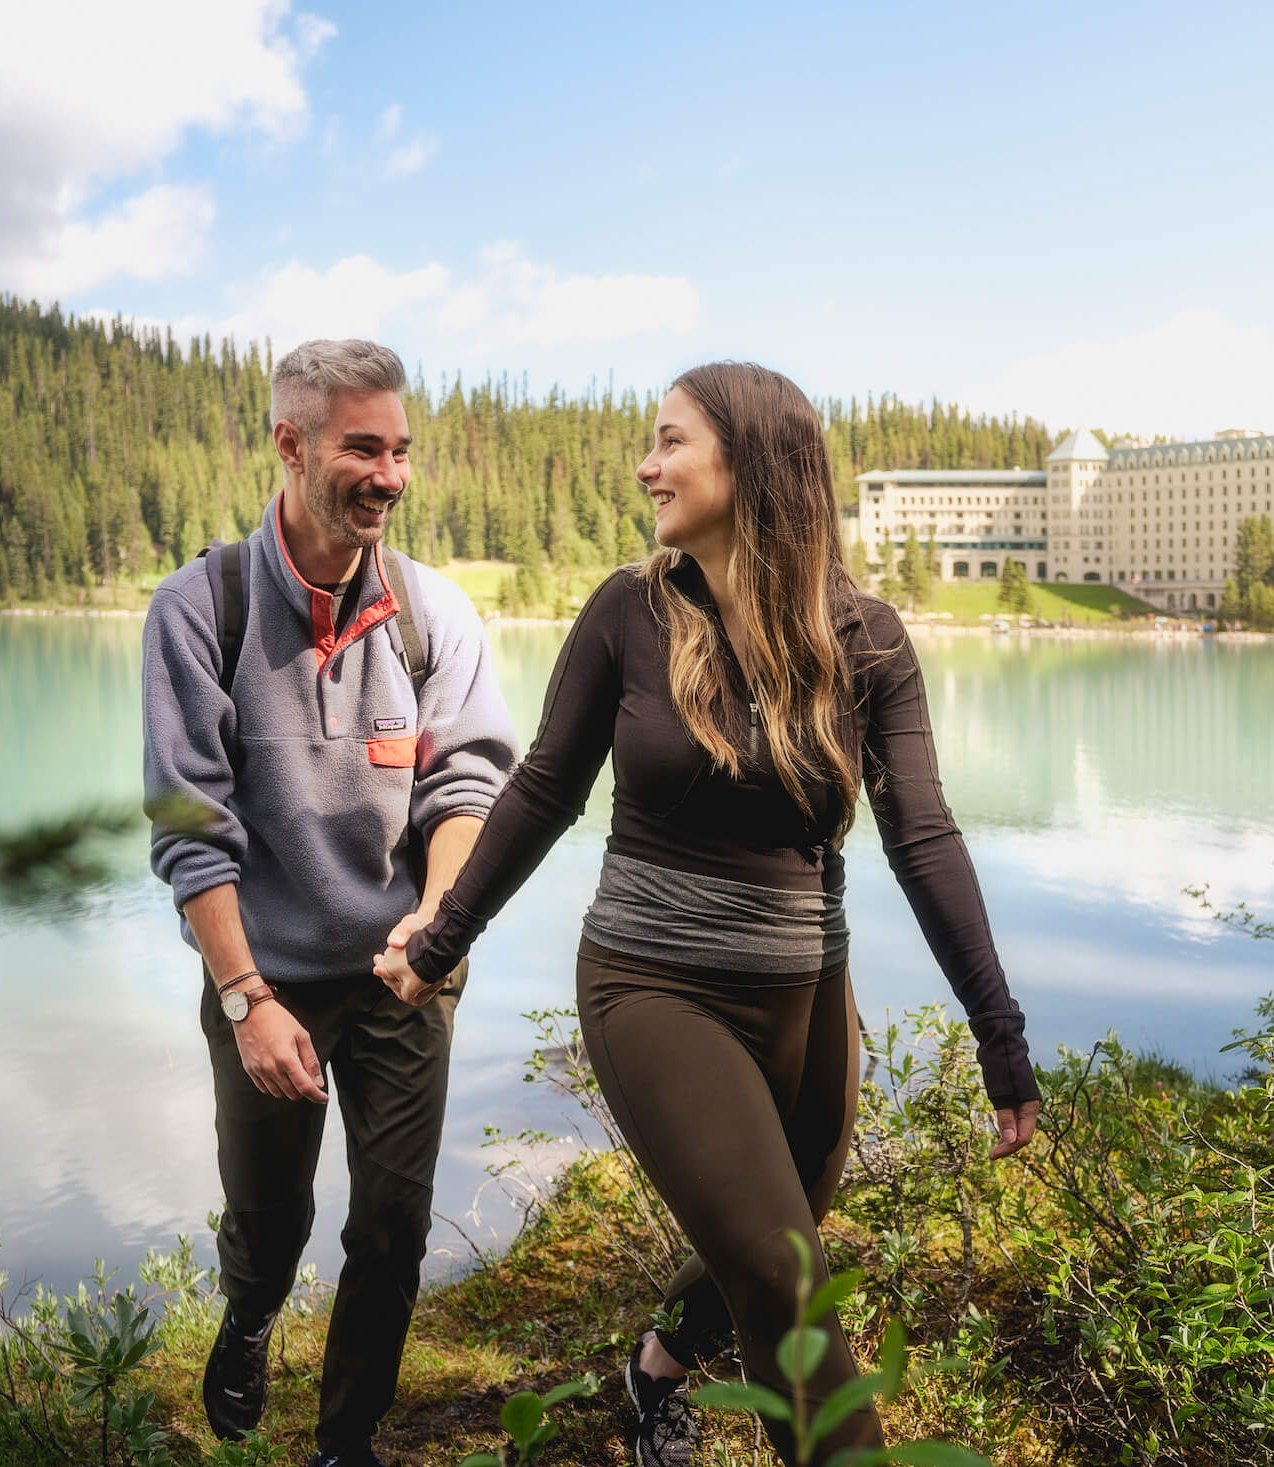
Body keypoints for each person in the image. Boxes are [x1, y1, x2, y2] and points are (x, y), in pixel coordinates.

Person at [373, 361, 1041, 1466]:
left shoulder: (866, 638)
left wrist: (998, 1035)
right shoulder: (629, 614)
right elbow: (542, 788)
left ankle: (655, 1374)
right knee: (787, 1279)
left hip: (807, 996)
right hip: (654, 984)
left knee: (770, 1242)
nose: (647, 464)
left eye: (671, 441)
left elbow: (923, 839)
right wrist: (439, 941)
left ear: (753, 460)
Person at [142, 339, 518, 1467]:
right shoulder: (198, 609)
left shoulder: (430, 612)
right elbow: (191, 825)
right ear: (290, 445)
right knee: (268, 1217)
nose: (390, 475)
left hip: (404, 971)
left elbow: (469, 783)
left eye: (401, 450)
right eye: (364, 447)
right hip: (264, 974)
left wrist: (436, 927)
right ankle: (251, 1316)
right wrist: (245, 995)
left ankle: (344, 1444)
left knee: (392, 1227)